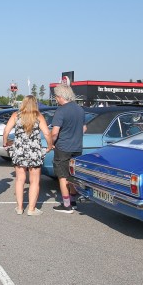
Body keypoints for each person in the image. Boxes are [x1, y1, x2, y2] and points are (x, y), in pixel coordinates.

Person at [3, 95, 52, 215]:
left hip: (19, 151)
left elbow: (6, 131)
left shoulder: (16, 115)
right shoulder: (38, 116)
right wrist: (50, 145)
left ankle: (19, 208)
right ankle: (31, 209)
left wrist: (5, 142)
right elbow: (46, 133)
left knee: (20, 179)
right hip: (34, 151)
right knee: (34, 181)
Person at [49, 83, 86, 213]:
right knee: (73, 175)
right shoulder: (80, 109)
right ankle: (73, 200)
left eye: (56, 97)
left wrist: (51, 143)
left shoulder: (61, 110)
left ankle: (66, 205)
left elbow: (54, 132)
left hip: (63, 147)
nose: (56, 99)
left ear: (60, 96)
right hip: (77, 147)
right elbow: (84, 128)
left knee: (62, 175)